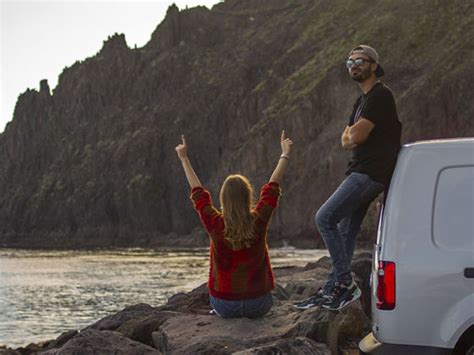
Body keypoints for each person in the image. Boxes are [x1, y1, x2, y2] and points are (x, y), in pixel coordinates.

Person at [294, 45, 402, 311]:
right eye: (350, 61)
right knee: (346, 231)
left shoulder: (380, 96)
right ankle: (333, 290)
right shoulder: (361, 101)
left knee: (324, 218)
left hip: (368, 172)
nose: (353, 65)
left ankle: (344, 284)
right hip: (363, 171)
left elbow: (356, 137)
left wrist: (352, 135)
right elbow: (345, 138)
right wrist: (351, 135)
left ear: (374, 65)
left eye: (360, 61)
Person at [175, 131, 293, 318]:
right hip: (258, 304)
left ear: (223, 199)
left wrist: (184, 159)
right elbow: (272, 188)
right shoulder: (258, 220)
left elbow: (198, 194)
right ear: (247, 197)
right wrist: (284, 154)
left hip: (224, 305)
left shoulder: (215, 223)